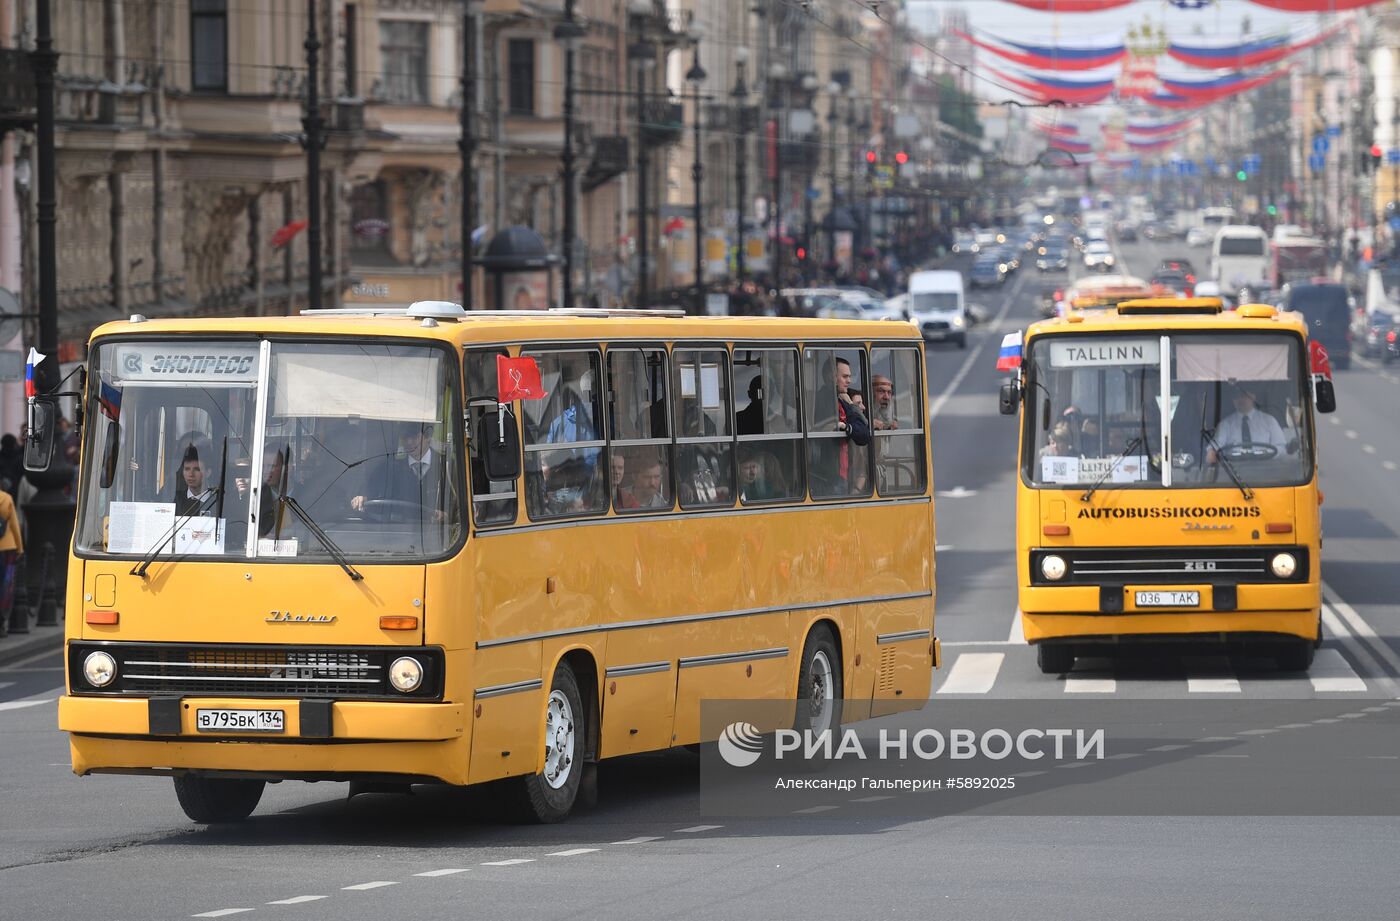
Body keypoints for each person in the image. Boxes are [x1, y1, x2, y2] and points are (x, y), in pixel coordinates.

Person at [351, 422, 444, 516]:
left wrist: (446, 515)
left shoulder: (446, 466)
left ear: (428, 437)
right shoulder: (389, 468)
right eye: (404, 437)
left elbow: (453, 508)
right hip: (396, 524)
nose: (409, 442)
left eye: (415, 437)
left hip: (434, 525)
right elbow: (369, 493)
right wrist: (362, 498)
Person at [1208, 385, 1288, 463]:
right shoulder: (1225, 425)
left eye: (1243, 396)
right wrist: (1212, 453)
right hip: (1234, 469)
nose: (1240, 400)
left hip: (1266, 468)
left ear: (1253, 397)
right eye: (1236, 397)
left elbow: (1281, 448)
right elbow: (1214, 449)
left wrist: (1265, 454)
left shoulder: (1269, 421)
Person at [0, 485, 22, 638]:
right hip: (8, 547)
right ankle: (1, 622)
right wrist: (20, 548)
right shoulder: (6, 498)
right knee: (6, 585)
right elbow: (14, 525)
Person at [174, 444, 215, 516]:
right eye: (187, 469)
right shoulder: (175, 500)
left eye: (197, 469)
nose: (191, 474)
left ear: (208, 472)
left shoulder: (218, 501)